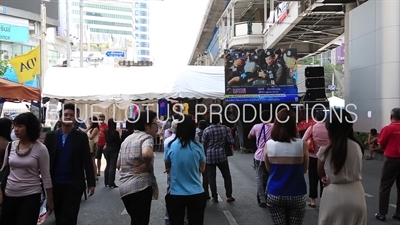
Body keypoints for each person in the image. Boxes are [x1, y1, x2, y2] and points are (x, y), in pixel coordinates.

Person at [43, 103, 96, 225]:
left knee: (70, 218)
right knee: (59, 216)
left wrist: (91, 182)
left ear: (75, 118)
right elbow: (45, 160)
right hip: (55, 184)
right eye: (65, 115)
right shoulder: (51, 136)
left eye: (71, 115)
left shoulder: (81, 137)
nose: (68, 117)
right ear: (60, 117)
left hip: (74, 185)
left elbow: (86, 160)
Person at [0, 112, 54, 225]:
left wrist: (50, 199)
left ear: (29, 128)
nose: (15, 129)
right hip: (9, 194)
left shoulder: (41, 149)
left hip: (30, 195)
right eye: (14, 126)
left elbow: (46, 176)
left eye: (20, 126)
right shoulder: (11, 146)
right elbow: (3, 170)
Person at [317, 108, 367, 224]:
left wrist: (325, 178)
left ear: (329, 127)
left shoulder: (325, 150)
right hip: (357, 194)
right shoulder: (358, 146)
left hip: (334, 196)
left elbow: (320, 173)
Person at [264, 108, 308, 225]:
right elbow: (304, 169)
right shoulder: (301, 145)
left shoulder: (269, 145)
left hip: (275, 193)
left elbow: (269, 169)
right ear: (293, 125)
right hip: (297, 193)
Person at [117, 110, 159, 225]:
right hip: (140, 188)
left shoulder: (126, 140)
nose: (157, 127)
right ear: (147, 125)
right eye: (156, 124)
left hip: (124, 189)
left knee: (135, 220)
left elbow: (118, 165)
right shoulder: (146, 137)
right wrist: (146, 165)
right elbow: (147, 154)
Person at [165, 115, 207, 225]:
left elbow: (167, 167)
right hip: (196, 193)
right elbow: (202, 169)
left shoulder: (170, 145)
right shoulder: (199, 147)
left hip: (175, 194)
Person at [202, 114, 235, 203]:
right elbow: (231, 141)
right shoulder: (225, 129)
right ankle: (229, 195)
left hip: (210, 157)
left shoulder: (206, 130)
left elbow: (203, 144)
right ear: (219, 120)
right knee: (226, 175)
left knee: (211, 177)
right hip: (222, 156)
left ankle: (214, 197)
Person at [375, 108, 400, 221]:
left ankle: (382, 213)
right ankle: (398, 213)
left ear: (391, 117)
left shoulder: (387, 129)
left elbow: (380, 145)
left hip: (391, 161)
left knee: (385, 187)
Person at [302, 110, 329, 208]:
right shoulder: (329, 128)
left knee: (313, 178)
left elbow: (303, 140)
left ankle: (313, 200)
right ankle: (324, 200)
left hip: (313, 157)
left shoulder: (312, 128)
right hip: (326, 157)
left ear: (316, 118)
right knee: (325, 178)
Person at [248, 110, 273, 208]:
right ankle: (267, 195)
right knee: (270, 176)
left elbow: (249, 136)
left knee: (259, 177)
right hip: (271, 154)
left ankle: (262, 199)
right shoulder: (274, 126)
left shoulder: (256, 126)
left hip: (259, 155)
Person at [104, 118, 121, 188]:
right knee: (112, 166)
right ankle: (111, 182)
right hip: (114, 150)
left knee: (108, 165)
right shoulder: (115, 133)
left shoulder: (106, 131)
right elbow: (118, 142)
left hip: (107, 148)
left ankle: (106, 181)